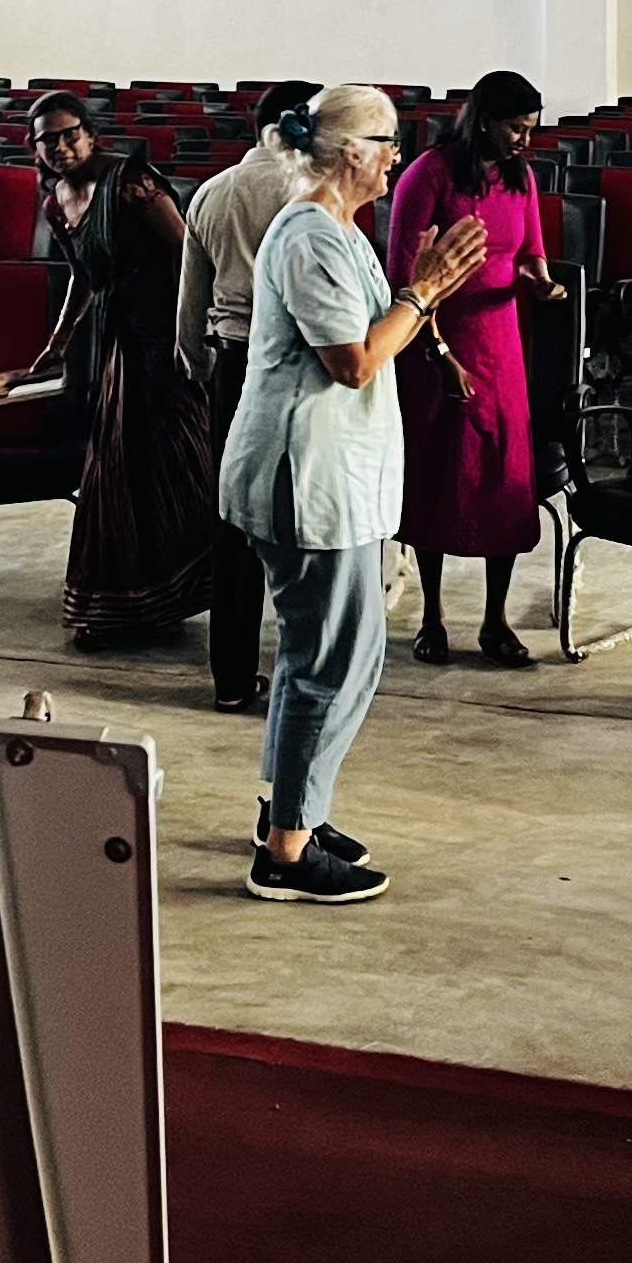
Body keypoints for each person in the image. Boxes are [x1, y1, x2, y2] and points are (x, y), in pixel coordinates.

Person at [219, 85, 488, 906]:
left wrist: (423, 298)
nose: (398, 157)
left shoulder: (340, 228)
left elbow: (379, 332)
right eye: (388, 141)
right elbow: (355, 361)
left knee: (337, 657)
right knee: (329, 663)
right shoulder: (308, 236)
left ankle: (292, 809)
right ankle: (287, 853)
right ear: (348, 152)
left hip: (338, 476)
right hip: (307, 477)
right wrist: (424, 291)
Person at [0, 93, 211, 650]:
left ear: (91, 135)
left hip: (164, 340)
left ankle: (180, 590)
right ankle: (129, 605)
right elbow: (85, 276)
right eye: (48, 139)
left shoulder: (131, 182)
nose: (61, 146)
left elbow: (187, 254)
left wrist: (188, 338)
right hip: (121, 341)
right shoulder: (56, 202)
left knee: (176, 466)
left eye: (70, 134)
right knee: (118, 474)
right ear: (35, 148)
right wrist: (57, 343)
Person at [389, 70, 566, 668]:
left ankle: (496, 619)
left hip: (501, 343)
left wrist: (540, 283)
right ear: (484, 120)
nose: (524, 140)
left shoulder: (520, 177)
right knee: (439, 475)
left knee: (502, 480)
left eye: (530, 129)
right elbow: (405, 276)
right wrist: (440, 353)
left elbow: (531, 255)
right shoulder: (429, 174)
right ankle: (432, 615)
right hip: (438, 337)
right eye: (515, 128)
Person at [177, 79, 318, 714]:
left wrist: (198, 366)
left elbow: (190, 305)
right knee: (308, 516)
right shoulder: (311, 192)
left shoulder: (212, 191)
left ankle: (231, 677)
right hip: (300, 361)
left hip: (232, 362)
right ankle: (307, 674)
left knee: (232, 522)